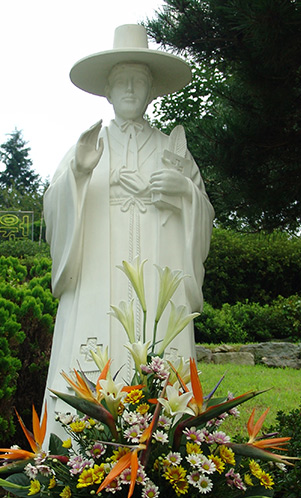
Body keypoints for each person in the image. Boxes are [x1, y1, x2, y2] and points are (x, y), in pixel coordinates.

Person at [42, 24, 214, 440]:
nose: (131, 89)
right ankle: (80, 451)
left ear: (152, 90)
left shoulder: (173, 150)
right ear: (108, 90)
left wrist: (184, 193)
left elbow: (204, 214)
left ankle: (165, 447)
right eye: (122, 81)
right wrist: (78, 176)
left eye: (139, 81)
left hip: (156, 278)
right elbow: (53, 207)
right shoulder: (88, 145)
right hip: (98, 280)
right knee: (93, 360)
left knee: (162, 365)